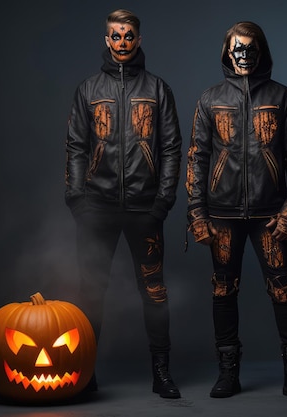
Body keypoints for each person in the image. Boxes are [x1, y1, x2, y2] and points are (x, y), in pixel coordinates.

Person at [185, 21, 287, 402]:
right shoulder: (209, 98)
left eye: (250, 48)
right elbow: (197, 158)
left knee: (283, 289)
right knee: (223, 290)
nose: (243, 56)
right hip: (221, 214)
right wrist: (196, 211)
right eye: (236, 49)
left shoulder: (281, 96)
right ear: (227, 52)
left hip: (270, 214)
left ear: (261, 52)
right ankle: (228, 374)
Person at [65, 9, 182, 398]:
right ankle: (85, 373)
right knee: (89, 292)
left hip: (144, 208)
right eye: (115, 36)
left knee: (154, 291)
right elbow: (77, 146)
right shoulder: (87, 89)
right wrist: (77, 198)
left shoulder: (158, 89)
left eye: (128, 36)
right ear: (106, 40)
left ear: (139, 39)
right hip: (96, 208)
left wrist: (163, 201)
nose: (121, 43)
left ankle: (161, 373)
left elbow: (171, 147)